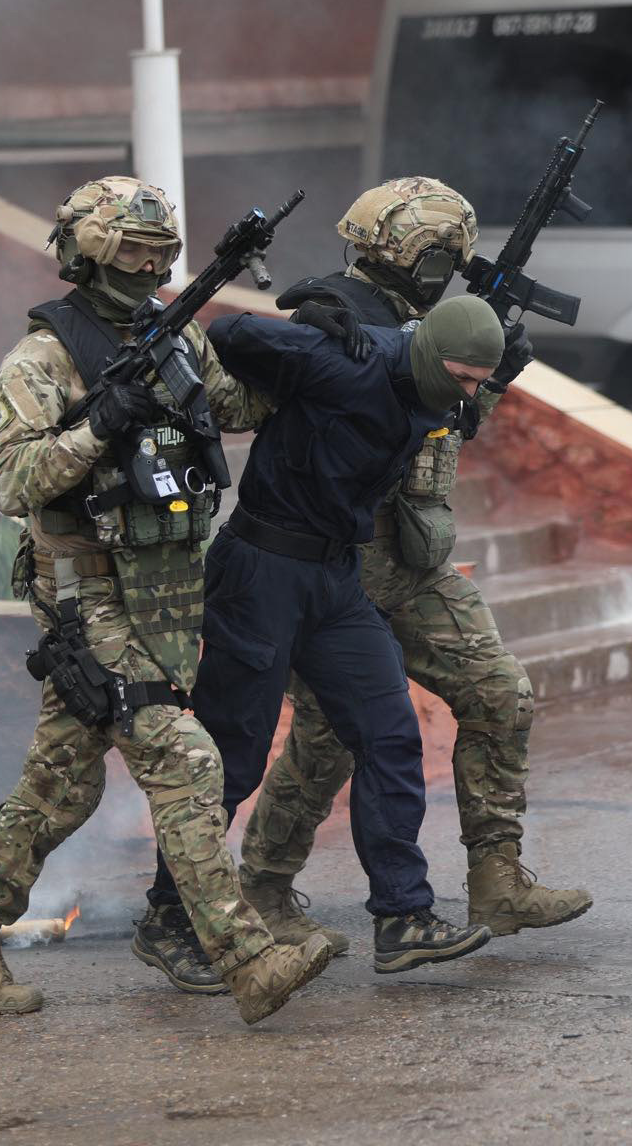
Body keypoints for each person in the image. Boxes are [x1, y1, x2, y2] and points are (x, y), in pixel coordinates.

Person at [0, 176, 332, 1026]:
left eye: (159, 253)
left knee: (60, 789)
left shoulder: (172, 338)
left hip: (166, 593)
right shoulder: (43, 358)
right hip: (86, 597)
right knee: (187, 760)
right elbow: (10, 482)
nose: (149, 267)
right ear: (88, 252)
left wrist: (311, 350)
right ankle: (247, 961)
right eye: (133, 251)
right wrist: (97, 425)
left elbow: (238, 405)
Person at [235, 178, 593, 968]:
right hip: (336, 562)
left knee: (500, 692)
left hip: (415, 558)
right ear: (409, 255)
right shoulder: (332, 317)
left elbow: (445, 428)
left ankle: (497, 880)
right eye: (442, 258)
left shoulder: (435, 329)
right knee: (328, 739)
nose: (449, 272)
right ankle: (261, 888)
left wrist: (488, 380)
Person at [139, 293, 507, 976]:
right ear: (432, 354)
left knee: (390, 734)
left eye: (477, 383)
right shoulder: (345, 358)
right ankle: (170, 918)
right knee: (235, 753)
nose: (466, 393)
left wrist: (489, 387)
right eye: (462, 378)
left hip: (336, 579)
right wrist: (311, 317)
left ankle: (403, 916)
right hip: (262, 569)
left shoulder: (436, 391)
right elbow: (229, 332)